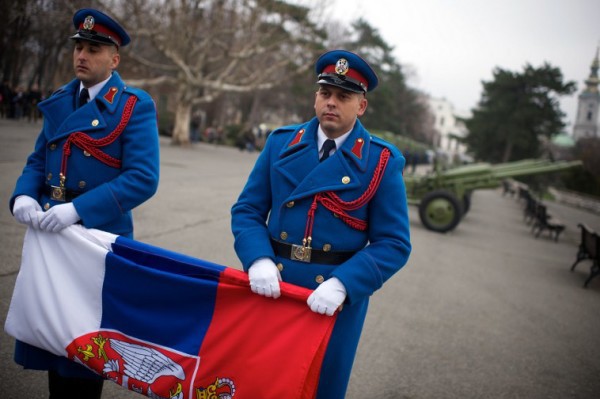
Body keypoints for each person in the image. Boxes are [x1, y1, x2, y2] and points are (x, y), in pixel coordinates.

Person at [231, 49, 411, 398]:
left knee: (316, 388)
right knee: (257, 382)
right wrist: (257, 258)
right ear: (316, 97)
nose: (332, 102)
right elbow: (248, 210)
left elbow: (394, 243)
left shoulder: (381, 161)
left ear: (361, 106)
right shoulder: (282, 143)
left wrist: (344, 285)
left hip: (332, 300)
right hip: (273, 287)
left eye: (343, 96)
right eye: (325, 93)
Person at [9, 8, 160, 399]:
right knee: (51, 338)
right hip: (50, 236)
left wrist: (78, 210)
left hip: (96, 239)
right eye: (79, 46)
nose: (82, 55)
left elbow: (143, 178)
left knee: (84, 350)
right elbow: (39, 159)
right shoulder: (61, 99)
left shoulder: (132, 105)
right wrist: (25, 193)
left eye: (93, 49)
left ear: (114, 59)